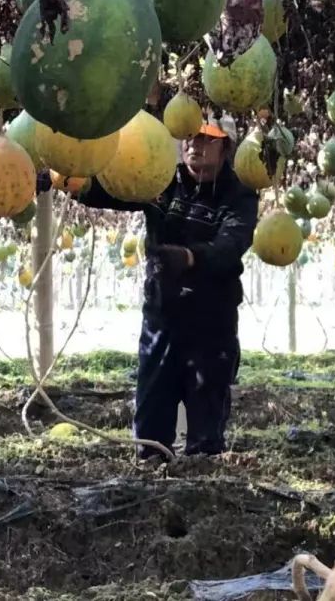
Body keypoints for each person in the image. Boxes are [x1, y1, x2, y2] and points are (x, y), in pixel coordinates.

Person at [70, 112, 258, 459]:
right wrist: (68, 179)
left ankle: (201, 484)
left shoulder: (239, 194)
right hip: (162, 318)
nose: (193, 145)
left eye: (205, 138)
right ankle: (150, 478)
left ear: (226, 147)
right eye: (189, 137)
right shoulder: (161, 180)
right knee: (151, 420)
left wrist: (190, 258)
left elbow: (230, 245)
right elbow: (115, 190)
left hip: (211, 326)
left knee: (206, 429)